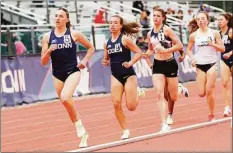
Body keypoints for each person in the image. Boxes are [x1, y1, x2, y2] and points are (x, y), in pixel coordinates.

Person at [40, 7, 95, 148]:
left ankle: (80, 128)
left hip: (73, 71)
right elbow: (43, 62)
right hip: (57, 74)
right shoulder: (47, 37)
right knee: (67, 103)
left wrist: (84, 61)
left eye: (61, 16)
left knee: (65, 97)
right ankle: (82, 132)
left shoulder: (74, 34)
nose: (57, 18)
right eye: (56, 16)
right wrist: (49, 51)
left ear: (67, 19)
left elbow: (91, 48)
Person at [101, 15, 142, 140]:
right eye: (110, 23)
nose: (112, 25)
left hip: (129, 74)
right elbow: (106, 59)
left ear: (120, 26)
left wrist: (130, 63)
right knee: (116, 103)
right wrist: (105, 61)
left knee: (131, 107)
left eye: (115, 23)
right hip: (115, 75)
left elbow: (139, 52)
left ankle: (138, 93)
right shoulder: (106, 43)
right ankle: (125, 130)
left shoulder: (124, 39)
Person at [144, 8, 183, 132]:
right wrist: (146, 55)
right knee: (159, 94)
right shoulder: (150, 33)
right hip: (158, 65)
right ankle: (164, 123)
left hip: (170, 63)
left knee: (173, 96)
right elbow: (151, 49)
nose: (155, 18)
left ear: (163, 18)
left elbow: (179, 45)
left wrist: (166, 50)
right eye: (154, 16)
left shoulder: (167, 30)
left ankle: (179, 89)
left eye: (157, 16)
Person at [186, 11, 225, 121]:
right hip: (200, 65)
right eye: (198, 19)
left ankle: (211, 113)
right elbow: (188, 49)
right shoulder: (194, 35)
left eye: (203, 18)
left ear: (207, 20)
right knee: (201, 93)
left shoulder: (214, 33)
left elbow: (222, 49)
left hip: (212, 64)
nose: (200, 21)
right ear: (196, 22)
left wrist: (213, 44)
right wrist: (192, 58)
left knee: (209, 90)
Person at [217, 13, 233, 117]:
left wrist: (230, 53)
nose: (219, 21)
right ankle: (227, 107)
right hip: (223, 60)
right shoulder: (217, 34)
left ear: (227, 21)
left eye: (221, 19)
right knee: (224, 83)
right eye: (218, 20)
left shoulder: (231, 31)